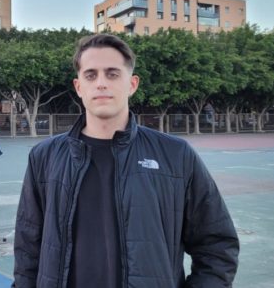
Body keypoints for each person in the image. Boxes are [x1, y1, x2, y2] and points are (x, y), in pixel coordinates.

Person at [12, 34, 238, 288]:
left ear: (132, 84)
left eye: (112, 74)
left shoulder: (176, 155)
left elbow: (217, 244)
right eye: (91, 75)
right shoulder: (45, 156)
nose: (101, 84)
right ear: (78, 87)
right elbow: (27, 248)